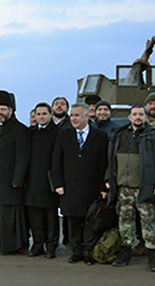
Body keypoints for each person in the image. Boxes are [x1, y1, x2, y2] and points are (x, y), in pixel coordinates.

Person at [52, 103, 108, 265]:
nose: (73, 118)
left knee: (90, 221)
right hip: (70, 186)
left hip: (92, 186)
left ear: (87, 116)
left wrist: (104, 187)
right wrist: (58, 184)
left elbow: (104, 163)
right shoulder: (64, 135)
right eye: (72, 115)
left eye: (77, 115)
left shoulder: (100, 136)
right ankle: (76, 251)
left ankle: (88, 252)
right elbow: (56, 162)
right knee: (73, 221)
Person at [105, 104, 155, 271]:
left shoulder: (152, 135)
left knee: (149, 222)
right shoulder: (120, 135)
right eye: (134, 114)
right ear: (129, 117)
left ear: (146, 117)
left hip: (144, 187)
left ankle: (152, 254)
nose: (138, 117)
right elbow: (111, 160)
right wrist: (108, 179)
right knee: (125, 221)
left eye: (141, 114)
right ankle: (126, 251)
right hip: (123, 188)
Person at [0, 90, 29, 254]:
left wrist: (17, 180)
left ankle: (10, 246)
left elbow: (22, 158)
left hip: (10, 182)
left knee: (9, 216)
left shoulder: (20, 130)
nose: (0, 113)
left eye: (3, 110)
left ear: (11, 111)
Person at [25, 103, 59, 258]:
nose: (41, 117)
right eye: (38, 114)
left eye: (44, 113)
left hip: (50, 180)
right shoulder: (30, 133)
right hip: (32, 180)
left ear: (50, 114)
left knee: (51, 216)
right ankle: (38, 244)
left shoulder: (58, 133)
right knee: (35, 215)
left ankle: (51, 245)